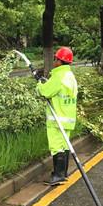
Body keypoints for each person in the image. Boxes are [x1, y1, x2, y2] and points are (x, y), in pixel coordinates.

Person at [36, 46, 78, 186]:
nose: (54, 61)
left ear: (60, 61)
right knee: (65, 145)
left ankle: (58, 175)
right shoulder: (70, 76)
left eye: (55, 58)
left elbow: (45, 92)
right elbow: (56, 90)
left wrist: (39, 84)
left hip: (57, 120)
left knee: (56, 146)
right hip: (68, 118)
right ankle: (63, 173)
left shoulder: (59, 76)